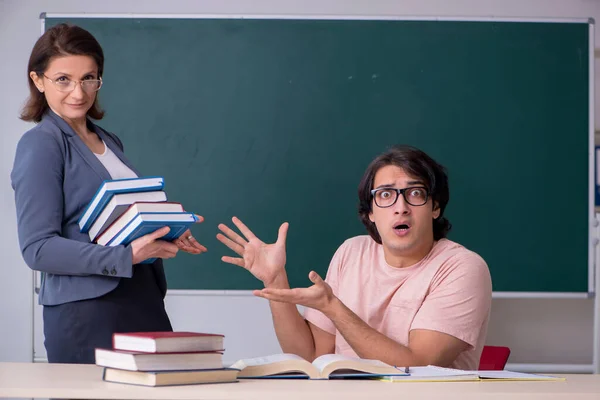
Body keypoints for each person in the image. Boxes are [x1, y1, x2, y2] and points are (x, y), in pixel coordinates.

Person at [11, 23, 207, 364]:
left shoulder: (109, 141)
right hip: (89, 313)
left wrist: (165, 231)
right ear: (38, 80)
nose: (78, 92)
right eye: (63, 79)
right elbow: (37, 248)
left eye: (89, 78)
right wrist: (124, 257)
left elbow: (116, 224)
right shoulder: (41, 144)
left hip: (140, 299)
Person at [217, 145, 492, 370]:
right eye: (385, 195)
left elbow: (417, 368)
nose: (401, 207)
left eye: (415, 193)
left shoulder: (462, 268)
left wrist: (333, 307)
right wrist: (276, 279)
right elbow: (311, 355)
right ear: (370, 212)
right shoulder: (352, 252)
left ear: (435, 207)